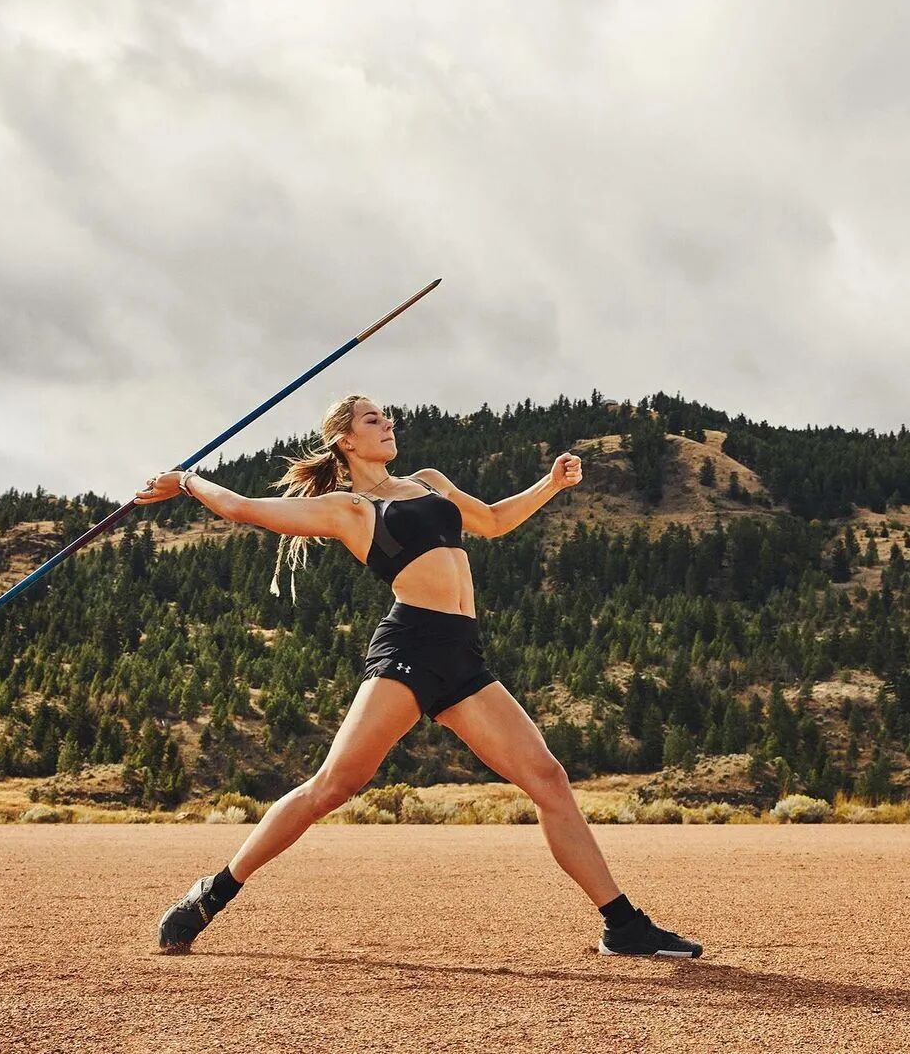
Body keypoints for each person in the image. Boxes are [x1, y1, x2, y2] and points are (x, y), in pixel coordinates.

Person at [133, 393, 702, 958]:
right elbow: (240, 507)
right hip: (410, 645)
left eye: (387, 415)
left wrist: (550, 484)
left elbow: (493, 521)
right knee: (335, 785)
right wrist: (186, 481)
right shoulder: (349, 508)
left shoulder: (429, 482)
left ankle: (621, 925)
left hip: (462, 652)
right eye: (372, 418)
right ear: (345, 440)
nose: (388, 423)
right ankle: (212, 893)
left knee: (548, 779)